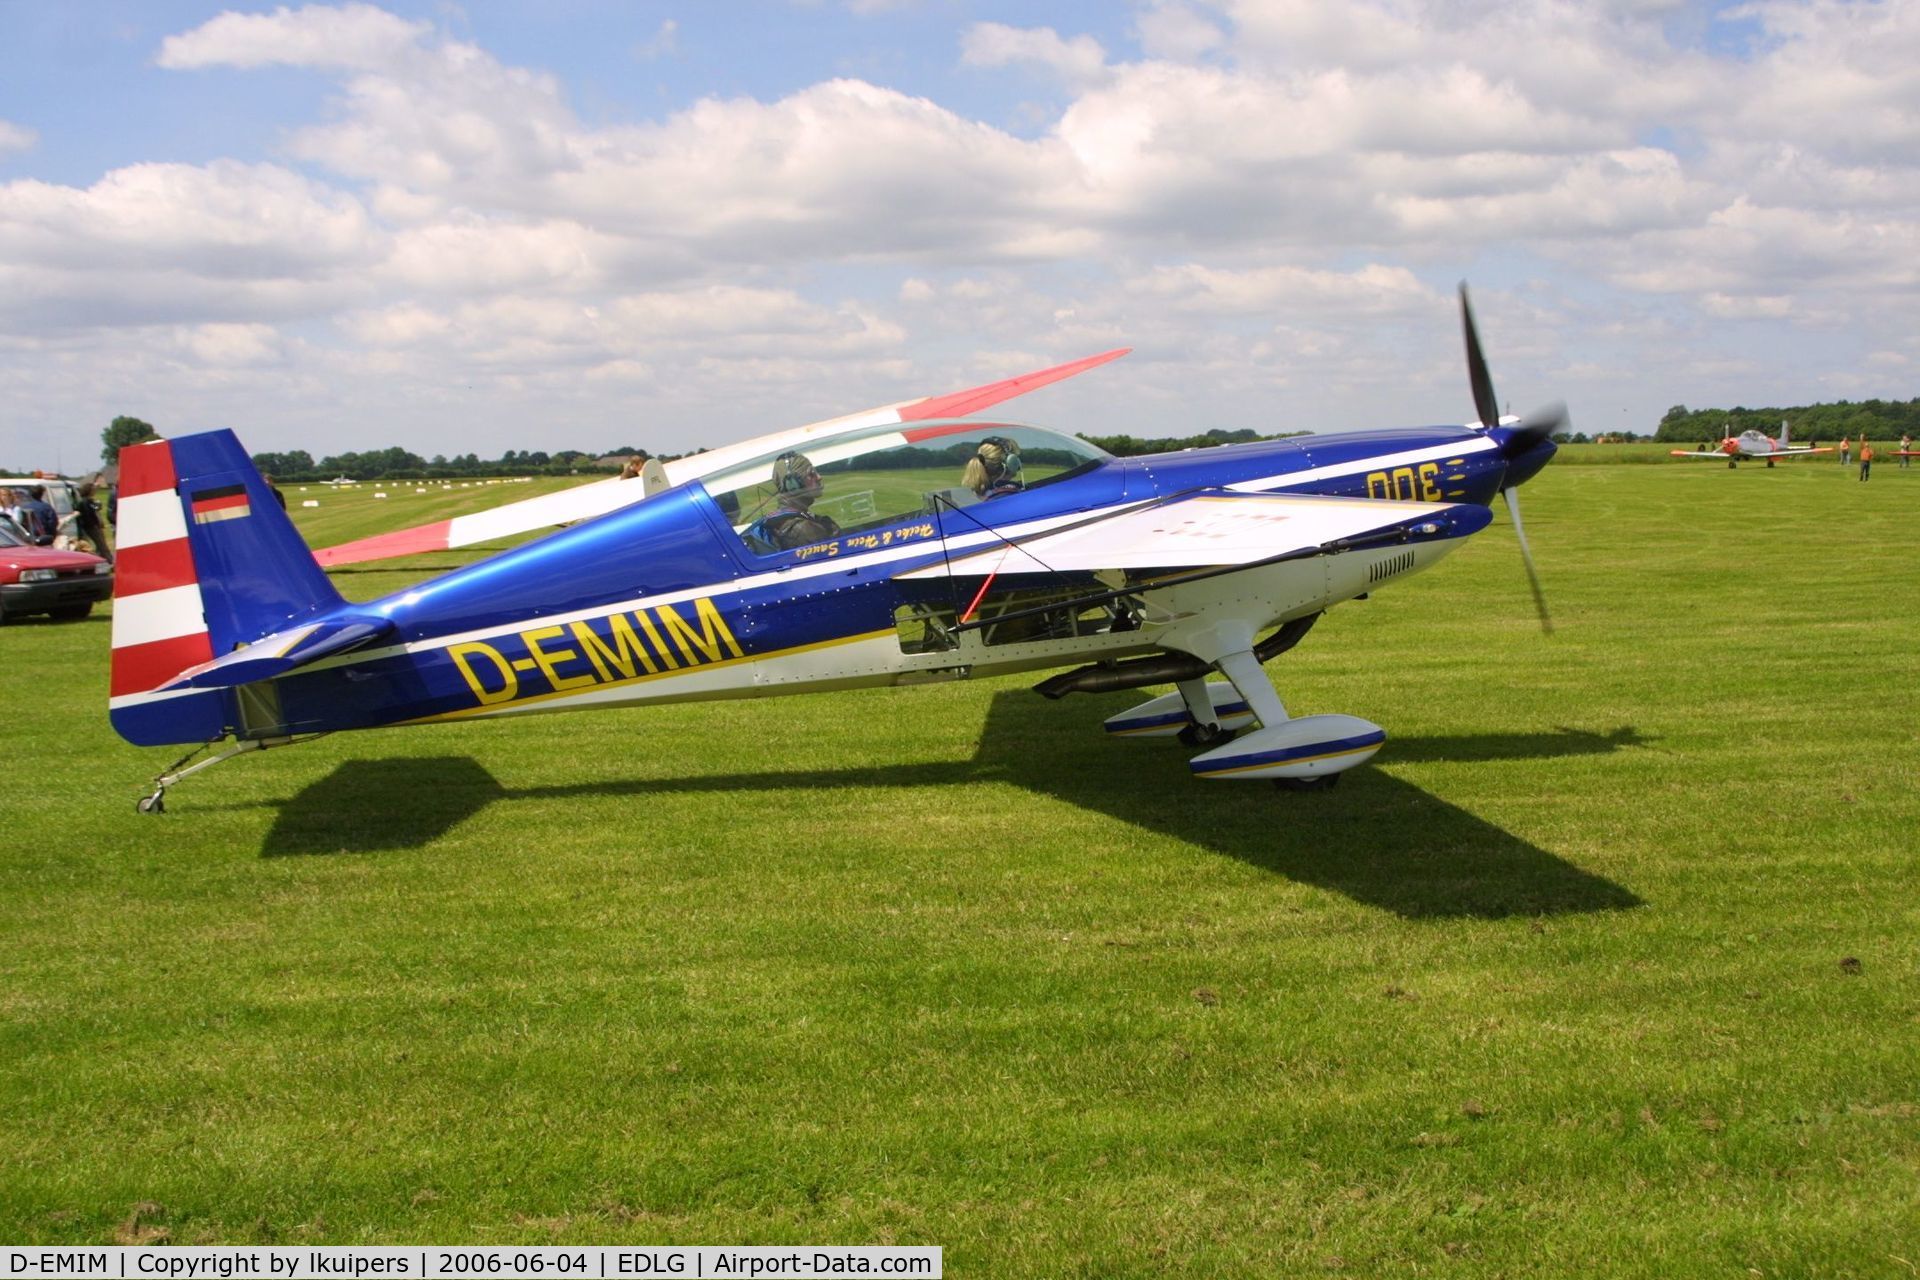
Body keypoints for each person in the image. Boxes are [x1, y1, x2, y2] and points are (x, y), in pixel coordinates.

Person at [754, 451, 840, 550]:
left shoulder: (789, 520)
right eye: (811, 474)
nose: (819, 477)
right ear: (793, 484)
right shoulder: (803, 530)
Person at [74, 481, 111, 561]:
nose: (94, 491)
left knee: (100, 544)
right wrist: (94, 524)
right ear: (89, 490)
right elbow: (88, 515)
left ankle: (103, 559)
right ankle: (109, 560)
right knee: (101, 544)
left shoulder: (90, 501)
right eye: (93, 489)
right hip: (91, 526)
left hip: (95, 525)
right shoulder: (85, 502)